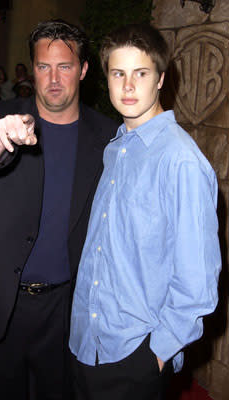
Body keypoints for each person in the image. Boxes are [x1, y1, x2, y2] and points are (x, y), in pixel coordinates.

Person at [0, 19, 118, 400]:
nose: (53, 78)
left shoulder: (107, 135)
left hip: (64, 310)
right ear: (33, 70)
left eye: (65, 66)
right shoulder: (1, 117)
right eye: (44, 66)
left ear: (84, 70)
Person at [69, 23, 221, 400]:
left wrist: (155, 355)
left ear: (160, 79)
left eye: (141, 73)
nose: (128, 86)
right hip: (85, 343)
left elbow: (198, 284)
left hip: (133, 356)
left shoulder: (180, 160)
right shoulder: (117, 148)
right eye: (118, 73)